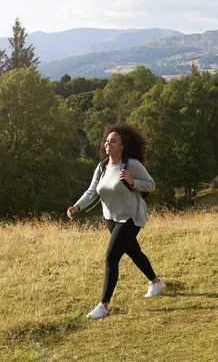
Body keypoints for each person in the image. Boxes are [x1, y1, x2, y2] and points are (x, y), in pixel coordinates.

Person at [67, 123, 163, 319]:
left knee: (111, 257)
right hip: (111, 218)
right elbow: (92, 191)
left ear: (122, 145)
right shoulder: (102, 166)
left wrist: (132, 181)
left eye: (113, 141)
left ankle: (103, 305)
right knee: (134, 252)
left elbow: (151, 186)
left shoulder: (132, 165)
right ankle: (156, 282)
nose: (108, 144)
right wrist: (77, 206)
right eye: (107, 141)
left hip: (131, 217)